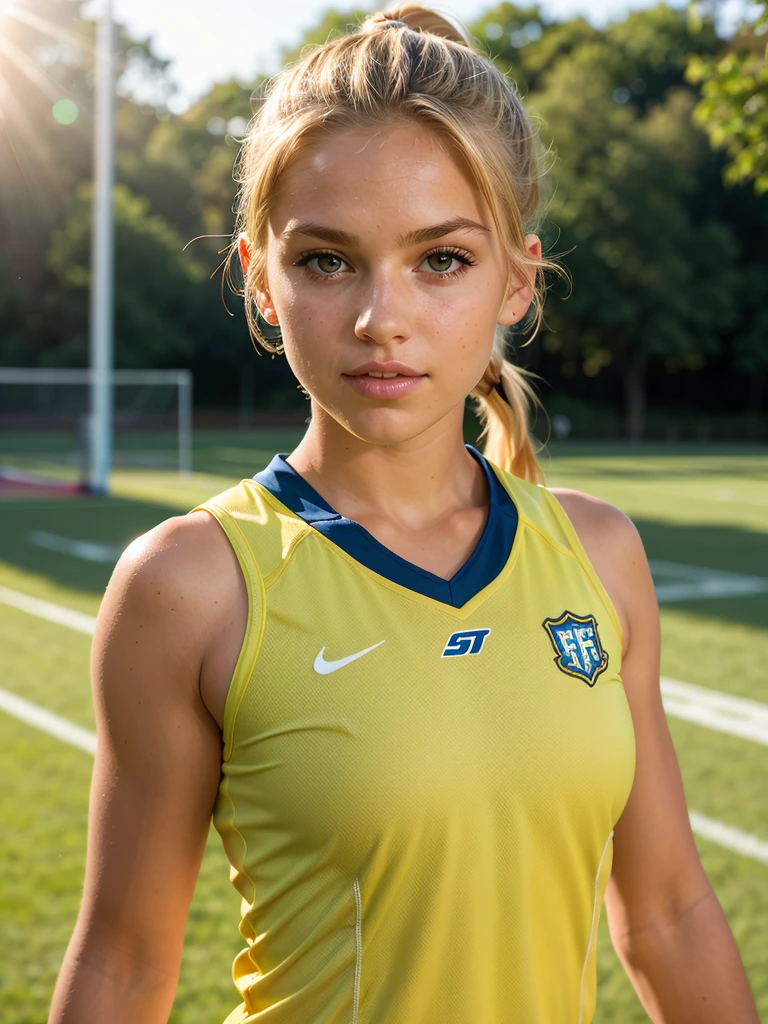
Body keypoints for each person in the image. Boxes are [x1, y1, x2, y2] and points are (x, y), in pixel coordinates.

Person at [48, 6, 759, 1024]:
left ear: (516, 279)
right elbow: (121, 962)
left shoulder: (599, 555)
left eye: (441, 260)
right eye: (327, 260)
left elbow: (668, 909)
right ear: (260, 278)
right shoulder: (190, 584)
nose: (384, 319)